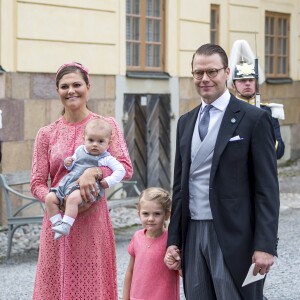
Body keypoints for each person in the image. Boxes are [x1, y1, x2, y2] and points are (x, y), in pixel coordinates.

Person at [164, 44, 280, 300]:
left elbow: (267, 190)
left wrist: (265, 245)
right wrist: (174, 240)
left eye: (212, 71)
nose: (204, 79)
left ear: (227, 72)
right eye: (198, 72)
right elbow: (180, 188)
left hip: (233, 233)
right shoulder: (186, 122)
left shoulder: (254, 119)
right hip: (193, 232)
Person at [30, 62, 133, 300]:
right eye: (64, 86)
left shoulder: (106, 126)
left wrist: (95, 173)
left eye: (77, 84)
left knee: (91, 288)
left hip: (92, 222)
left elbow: (125, 168)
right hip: (56, 224)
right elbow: (36, 181)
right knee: (55, 288)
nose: (71, 90)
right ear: (58, 91)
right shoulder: (47, 133)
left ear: (88, 86)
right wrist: (51, 198)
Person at [45, 118, 126, 240]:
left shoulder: (106, 158)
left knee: (72, 198)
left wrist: (108, 182)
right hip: (69, 184)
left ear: (108, 144)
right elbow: (72, 165)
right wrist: (69, 163)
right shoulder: (80, 150)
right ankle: (57, 224)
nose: (95, 144)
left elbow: (121, 171)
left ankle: (66, 225)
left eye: (100, 142)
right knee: (50, 197)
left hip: (86, 189)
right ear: (84, 139)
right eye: (91, 140)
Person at [228, 39, 285, 159]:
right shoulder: (226, 111)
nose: (247, 83)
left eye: (251, 80)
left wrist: (265, 134)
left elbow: (279, 152)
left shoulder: (268, 111)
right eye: (242, 80)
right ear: (233, 85)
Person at [122, 187, 180, 300]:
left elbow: (182, 271)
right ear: (139, 213)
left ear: (167, 215)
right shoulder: (137, 237)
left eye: (157, 214)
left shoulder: (172, 241)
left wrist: (177, 264)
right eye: (145, 214)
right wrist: (125, 297)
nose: (151, 219)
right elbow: (130, 271)